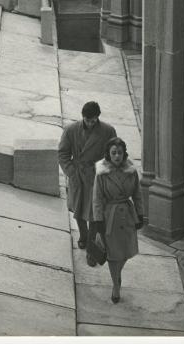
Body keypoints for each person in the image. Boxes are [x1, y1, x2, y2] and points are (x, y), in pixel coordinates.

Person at [58, 101, 116, 266]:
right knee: (77, 210)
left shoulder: (108, 131)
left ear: (98, 118)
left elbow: (113, 154)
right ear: (83, 117)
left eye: (93, 120)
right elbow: (62, 154)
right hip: (77, 177)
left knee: (94, 215)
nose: (90, 123)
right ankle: (83, 235)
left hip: (96, 178)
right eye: (88, 120)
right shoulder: (71, 130)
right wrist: (71, 172)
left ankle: (92, 250)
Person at [93, 137, 144, 303]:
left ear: (124, 154)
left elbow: (137, 194)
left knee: (125, 252)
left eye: (120, 153)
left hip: (127, 216)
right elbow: (97, 199)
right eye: (113, 153)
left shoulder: (131, 171)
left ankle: (117, 274)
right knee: (113, 254)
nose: (117, 156)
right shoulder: (101, 173)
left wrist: (140, 214)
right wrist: (98, 222)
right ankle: (116, 284)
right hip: (110, 218)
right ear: (108, 154)